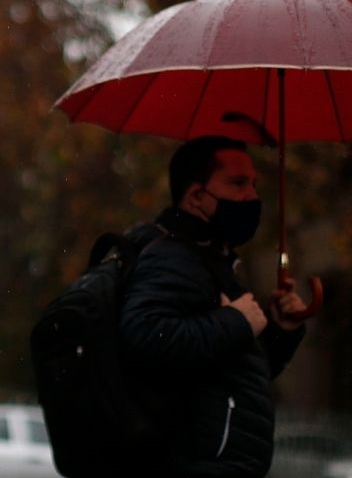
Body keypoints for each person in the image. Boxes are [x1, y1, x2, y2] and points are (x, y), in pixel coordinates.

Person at [119, 135, 309, 477]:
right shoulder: (173, 257)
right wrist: (236, 322)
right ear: (195, 197)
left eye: (253, 183)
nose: (251, 195)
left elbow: (233, 374)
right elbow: (144, 335)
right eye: (238, 183)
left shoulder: (209, 260)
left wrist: (280, 329)